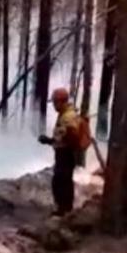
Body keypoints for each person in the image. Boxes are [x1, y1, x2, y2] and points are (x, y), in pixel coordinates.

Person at [38, 88, 82, 216]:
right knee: (64, 180)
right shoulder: (66, 113)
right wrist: (51, 141)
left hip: (65, 153)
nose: (53, 105)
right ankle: (65, 208)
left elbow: (68, 135)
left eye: (55, 102)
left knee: (61, 181)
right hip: (65, 152)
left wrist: (51, 140)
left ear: (61, 101)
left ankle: (63, 209)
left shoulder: (68, 116)